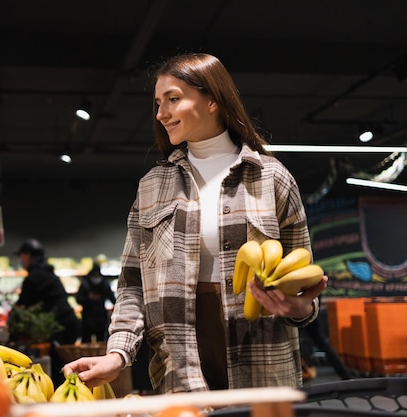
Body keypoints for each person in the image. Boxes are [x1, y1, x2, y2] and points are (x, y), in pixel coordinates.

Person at [63, 52, 328, 394]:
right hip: (178, 360)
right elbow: (132, 285)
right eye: (158, 103)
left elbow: (302, 274)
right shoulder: (152, 186)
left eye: (173, 99)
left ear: (213, 101)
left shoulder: (271, 178)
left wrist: (301, 306)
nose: (161, 114)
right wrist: (118, 353)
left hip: (262, 355)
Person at [13, 238, 81, 385]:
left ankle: (62, 397)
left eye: (21, 255)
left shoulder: (34, 277)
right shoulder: (47, 272)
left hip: (60, 326)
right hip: (68, 323)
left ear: (28, 255)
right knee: (62, 365)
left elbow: (22, 305)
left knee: (58, 368)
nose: (20, 259)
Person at [76, 262, 116, 343]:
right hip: (87, 317)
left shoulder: (104, 283)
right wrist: (88, 298)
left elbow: (112, 298)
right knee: (86, 340)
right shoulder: (85, 283)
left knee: (100, 340)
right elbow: (79, 299)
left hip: (100, 317)